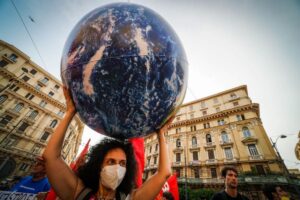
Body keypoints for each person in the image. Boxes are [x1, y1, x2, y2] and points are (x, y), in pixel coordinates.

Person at [43, 87, 173, 200]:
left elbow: (164, 173)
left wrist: (161, 134)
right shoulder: (77, 192)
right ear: (99, 165)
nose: (117, 168)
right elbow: (50, 157)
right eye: (111, 162)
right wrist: (70, 112)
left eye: (122, 163)